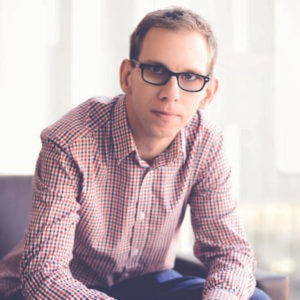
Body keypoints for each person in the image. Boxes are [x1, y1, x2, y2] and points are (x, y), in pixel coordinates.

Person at [20, 7, 270, 300]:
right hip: (69, 288)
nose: (171, 92)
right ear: (127, 76)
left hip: (151, 284)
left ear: (208, 92)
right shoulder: (70, 141)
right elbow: (44, 275)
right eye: (156, 70)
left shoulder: (206, 143)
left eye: (189, 76)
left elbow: (229, 252)